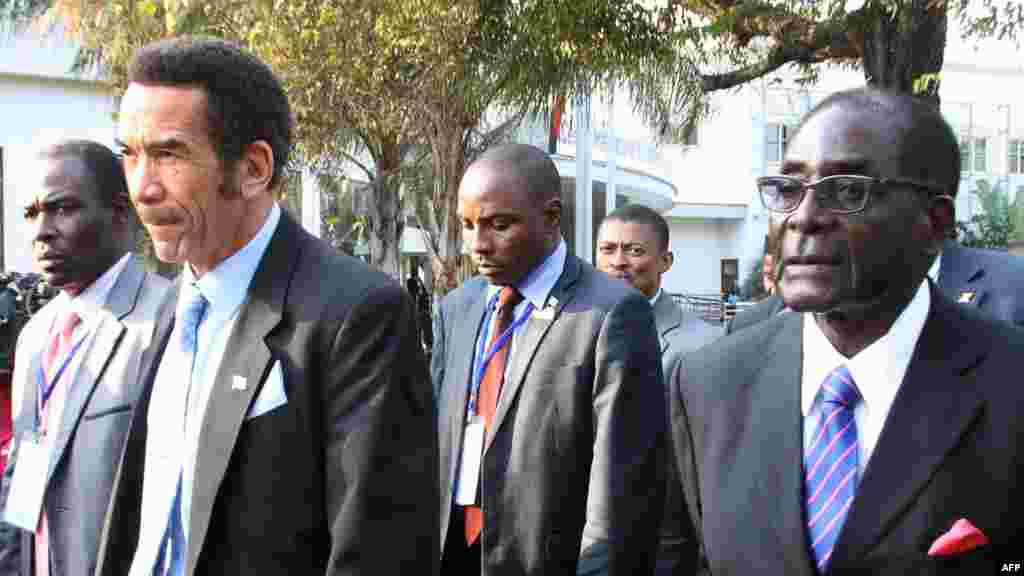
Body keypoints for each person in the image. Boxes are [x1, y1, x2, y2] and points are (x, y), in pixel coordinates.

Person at [95, 37, 437, 575]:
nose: (142, 187)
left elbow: (379, 556)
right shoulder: (171, 310)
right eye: (129, 154)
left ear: (253, 168)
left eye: (168, 154)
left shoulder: (356, 316)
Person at [669, 87, 1024, 575]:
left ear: (934, 223)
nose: (803, 218)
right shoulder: (708, 385)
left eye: (847, 190)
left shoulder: (1011, 382)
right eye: (788, 189)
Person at [433, 144, 665, 575]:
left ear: (552, 216)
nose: (478, 245)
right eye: (467, 226)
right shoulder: (457, 308)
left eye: (499, 225)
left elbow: (620, 495)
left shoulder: (612, 313)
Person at [0, 140, 171, 576]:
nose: (41, 231)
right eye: (31, 213)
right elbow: (23, 476)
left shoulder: (167, 320)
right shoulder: (37, 334)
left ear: (120, 213)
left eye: (62, 208)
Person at [594, 204, 718, 576]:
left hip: (660, 544)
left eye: (634, 251)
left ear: (665, 260)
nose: (619, 262)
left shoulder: (703, 344)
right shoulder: (570, 327)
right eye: (608, 249)